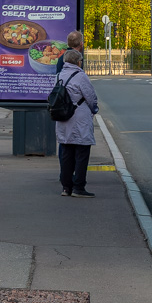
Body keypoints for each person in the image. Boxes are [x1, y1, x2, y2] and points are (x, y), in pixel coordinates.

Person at [55, 49, 99, 198]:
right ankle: (79, 187)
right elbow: (90, 96)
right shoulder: (80, 76)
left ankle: (66, 187)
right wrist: (94, 109)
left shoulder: (59, 76)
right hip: (79, 119)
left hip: (63, 118)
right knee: (81, 152)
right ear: (78, 61)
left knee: (66, 153)